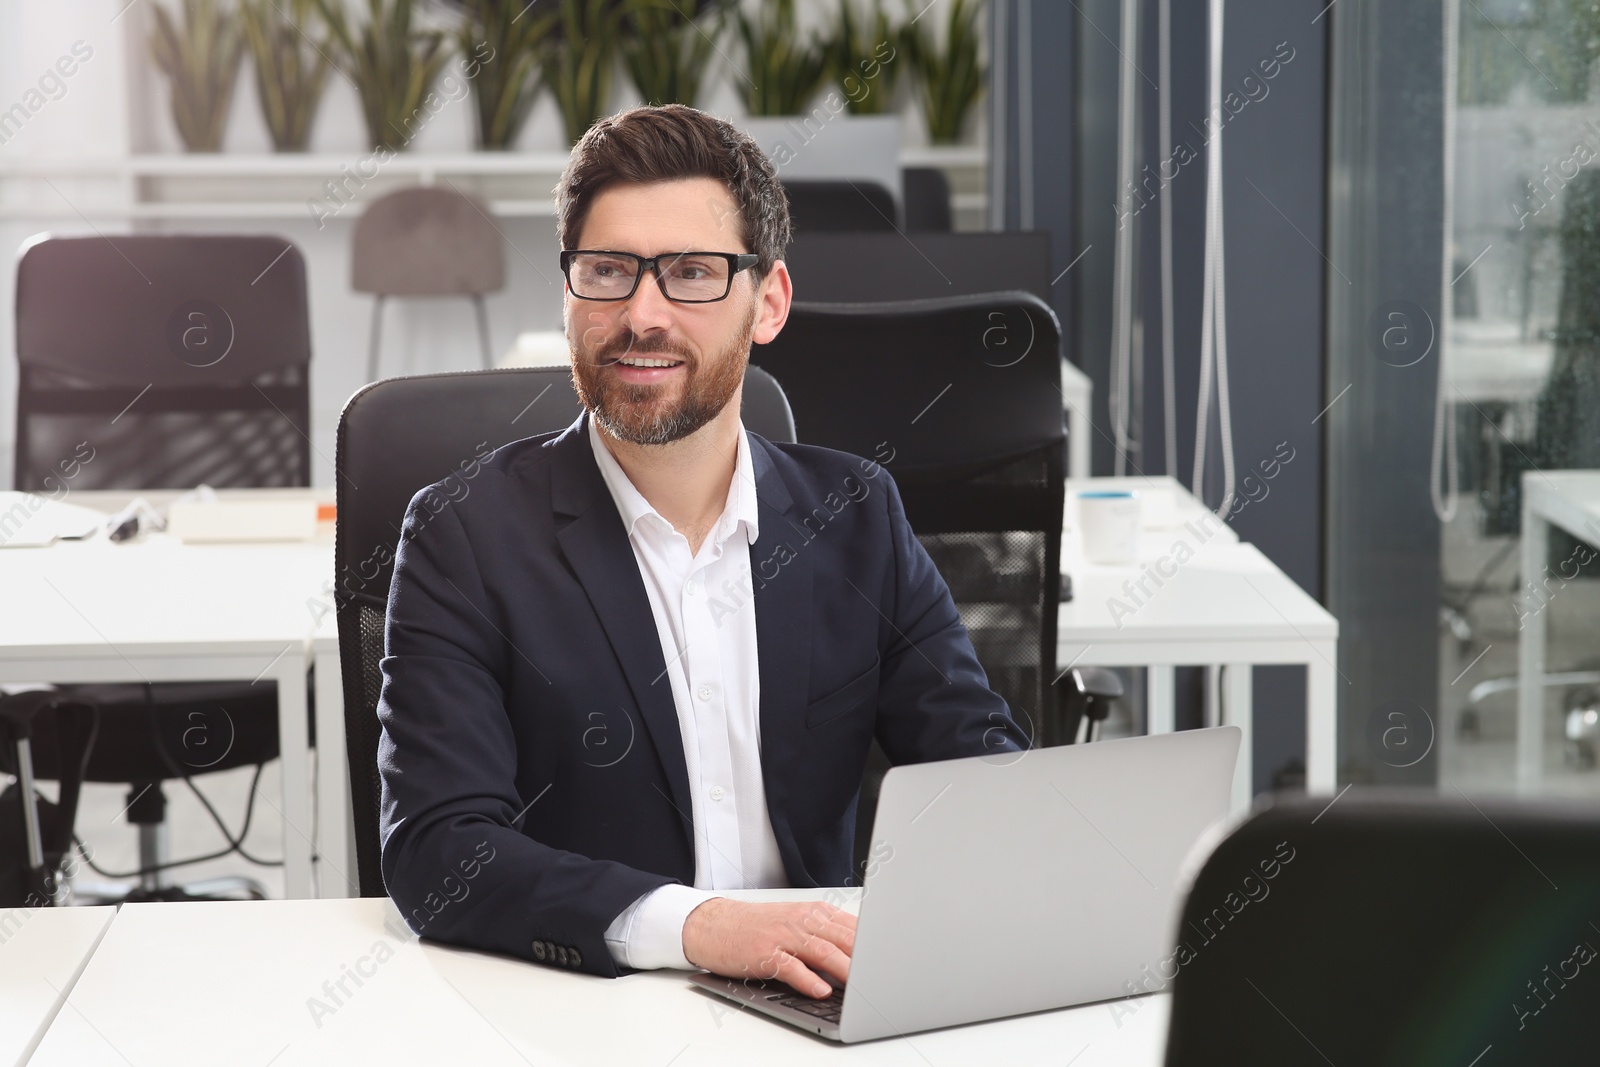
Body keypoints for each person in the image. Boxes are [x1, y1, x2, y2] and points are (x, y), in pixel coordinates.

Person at [376, 104, 1026, 999]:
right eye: (607, 271)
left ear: (769, 303)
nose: (642, 315)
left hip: (815, 1004)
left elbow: (975, 772)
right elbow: (439, 849)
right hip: (584, 1014)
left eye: (691, 273)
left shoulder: (856, 514)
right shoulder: (463, 537)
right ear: (568, 292)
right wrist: (698, 925)